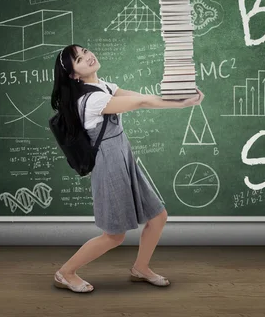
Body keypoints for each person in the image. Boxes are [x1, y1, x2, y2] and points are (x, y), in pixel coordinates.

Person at [50, 44, 203, 293]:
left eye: (85, 51)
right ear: (73, 75)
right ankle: (65, 273)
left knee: (158, 216)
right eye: (79, 59)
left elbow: (140, 97)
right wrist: (181, 104)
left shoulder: (105, 86)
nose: (88, 56)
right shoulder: (92, 100)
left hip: (123, 155)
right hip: (109, 162)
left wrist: (178, 98)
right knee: (114, 235)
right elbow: (141, 102)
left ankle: (141, 268)